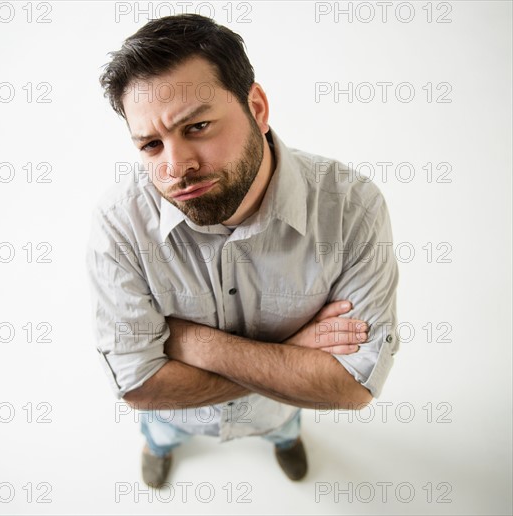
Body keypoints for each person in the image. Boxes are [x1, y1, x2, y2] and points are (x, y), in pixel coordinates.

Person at [87, 13, 399, 488]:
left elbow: (352, 387)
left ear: (256, 106)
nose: (177, 168)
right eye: (151, 144)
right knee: (158, 431)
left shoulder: (351, 207)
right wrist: (290, 355)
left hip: (280, 411)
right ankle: (159, 450)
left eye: (197, 127)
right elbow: (142, 387)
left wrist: (192, 342)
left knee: (284, 426)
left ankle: (285, 440)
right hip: (177, 416)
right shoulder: (119, 224)